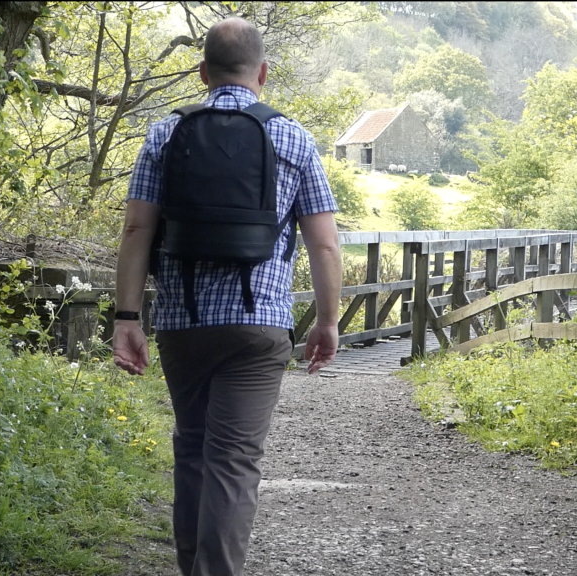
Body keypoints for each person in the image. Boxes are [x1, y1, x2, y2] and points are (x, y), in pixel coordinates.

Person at [111, 17, 342, 576]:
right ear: (263, 73)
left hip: (183, 322)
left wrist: (126, 318)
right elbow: (325, 243)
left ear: (202, 72)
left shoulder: (165, 134)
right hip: (259, 326)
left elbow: (137, 230)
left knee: (192, 449)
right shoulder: (293, 137)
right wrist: (327, 320)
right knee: (233, 462)